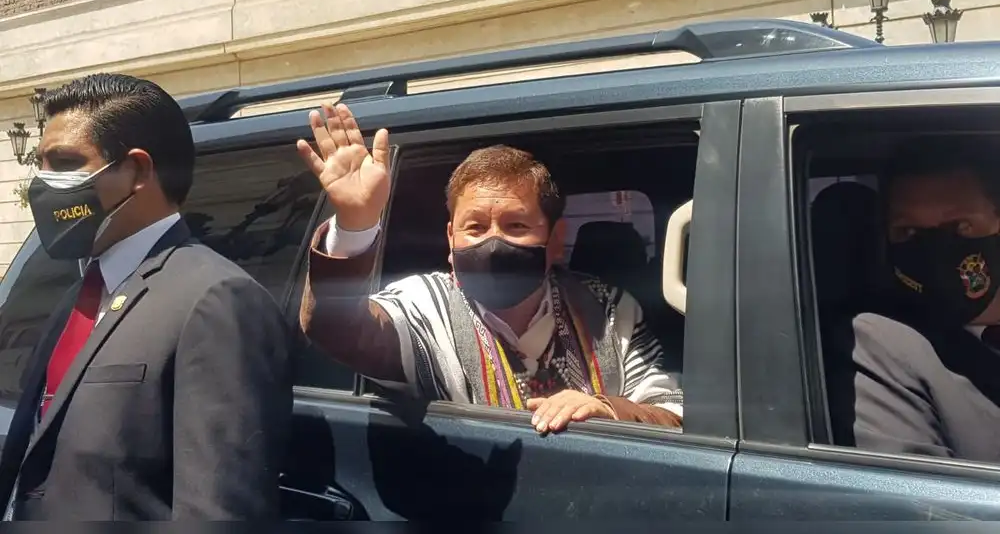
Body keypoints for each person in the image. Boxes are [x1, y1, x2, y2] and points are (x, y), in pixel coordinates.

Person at [0, 74, 292, 520]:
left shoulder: (216, 300)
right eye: (40, 164)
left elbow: (217, 509)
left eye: (64, 163)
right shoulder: (78, 295)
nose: (43, 184)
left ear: (137, 171)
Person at [297, 103, 682, 434]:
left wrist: (607, 410)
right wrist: (356, 224)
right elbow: (338, 327)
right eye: (476, 227)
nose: (493, 242)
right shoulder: (424, 309)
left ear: (554, 239)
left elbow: (674, 411)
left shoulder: (609, 309)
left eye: (516, 226)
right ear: (451, 239)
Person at [826, 137, 1000, 463]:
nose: (936, 252)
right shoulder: (881, 345)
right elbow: (917, 490)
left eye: (961, 225)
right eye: (909, 232)